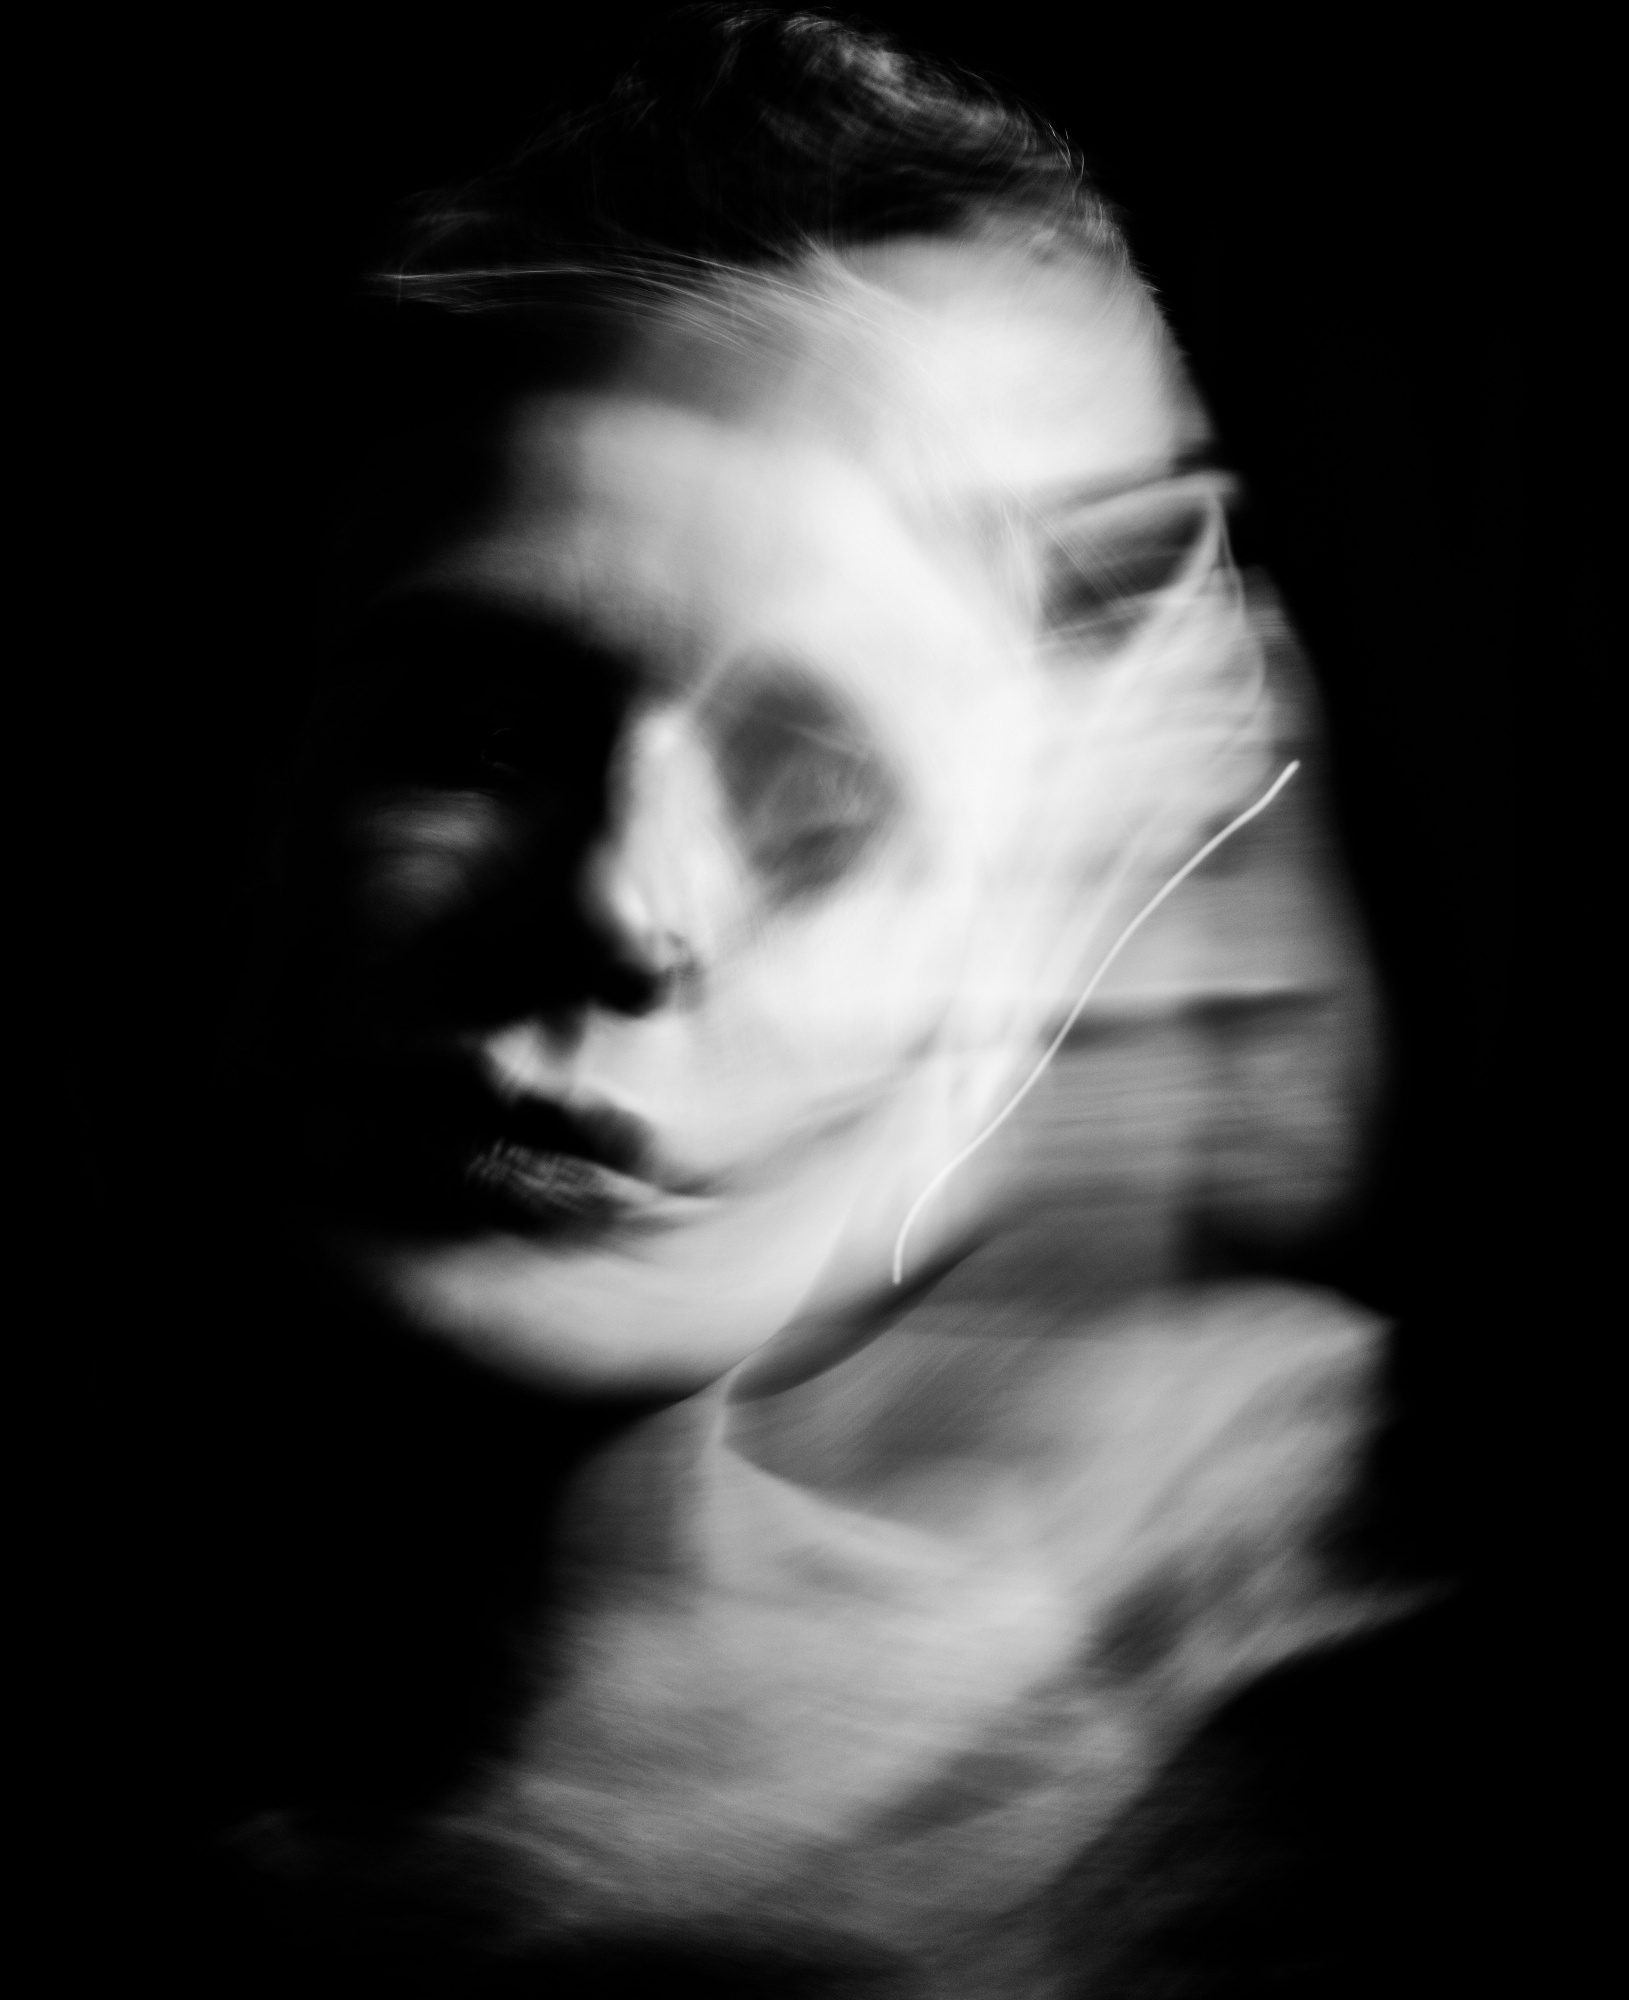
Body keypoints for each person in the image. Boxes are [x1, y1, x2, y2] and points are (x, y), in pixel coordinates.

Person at [207, 9, 1440, 1991]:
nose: (624, 905)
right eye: (481, 732)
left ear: (997, 990)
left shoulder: (1231, 1833)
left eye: (818, 801)